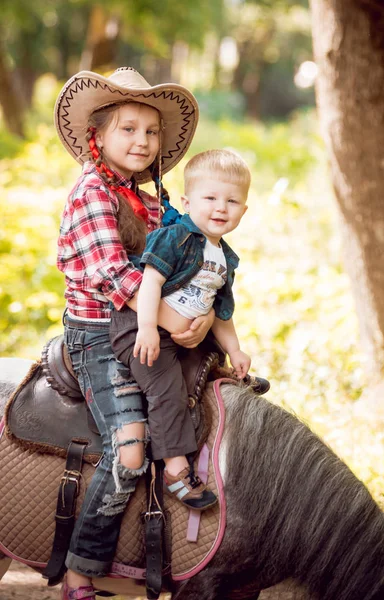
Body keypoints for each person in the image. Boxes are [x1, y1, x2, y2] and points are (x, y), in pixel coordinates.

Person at [54, 67, 213, 600]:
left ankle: (185, 541)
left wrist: (205, 318)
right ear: (98, 136)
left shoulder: (150, 199)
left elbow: (181, 262)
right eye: (128, 128)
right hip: (99, 333)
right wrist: (173, 320)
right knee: (127, 451)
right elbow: (113, 275)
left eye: (151, 131)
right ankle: (81, 569)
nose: (142, 141)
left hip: (145, 325)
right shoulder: (92, 194)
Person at [109, 149, 251, 507]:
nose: (221, 208)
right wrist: (145, 330)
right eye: (210, 198)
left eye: (232, 201)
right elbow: (150, 284)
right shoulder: (174, 237)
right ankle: (174, 468)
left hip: (184, 336)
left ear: (244, 210)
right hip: (142, 331)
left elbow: (221, 309)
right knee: (167, 390)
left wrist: (236, 350)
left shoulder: (224, 257)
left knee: (205, 375)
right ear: (187, 201)